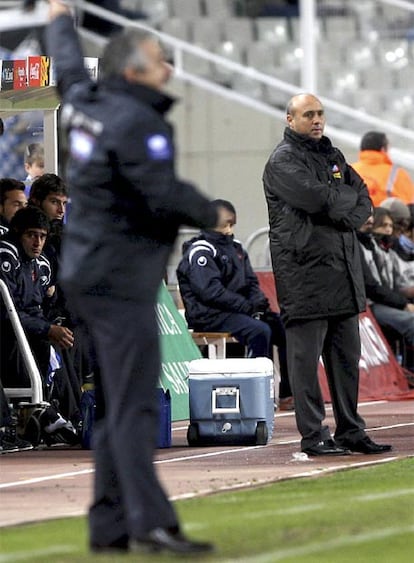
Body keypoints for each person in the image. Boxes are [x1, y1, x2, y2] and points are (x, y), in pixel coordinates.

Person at [46, 0, 219, 554]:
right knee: (135, 404)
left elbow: (69, 69)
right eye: (161, 61)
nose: (169, 69)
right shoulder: (136, 120)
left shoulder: (84, 102)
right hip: (120, 277)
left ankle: (108, 524)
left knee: (122, 402)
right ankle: (150, 521)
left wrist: (57, 21)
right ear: (132, 71)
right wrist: (208, 211)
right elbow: (162, 194)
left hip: (87, 272)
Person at [262, 93, 392, 456]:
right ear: (290, 120)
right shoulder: (283, 161)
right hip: (305, 274)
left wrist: (346, 209)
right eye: (308, 114)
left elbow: (362, 197)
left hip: (342, 272)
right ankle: (314, 435)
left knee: (346, 360)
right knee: (305, 363)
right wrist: (346, 208)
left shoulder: (332, 155)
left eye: (320, 113)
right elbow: (319, 200)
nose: (316, 120)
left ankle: (351, 430)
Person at [176, 198, 293, 410]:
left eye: (232, 224)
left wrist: (259, 303)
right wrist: (245, 306)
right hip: (209, 314)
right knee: (259, 331)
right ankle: (254, 395)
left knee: (284, 328)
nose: (229, 230)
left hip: (237, 310)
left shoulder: (237, 248)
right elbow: (209, 291)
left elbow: (250, 282)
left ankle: (287, 393)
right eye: (225, 224)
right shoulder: (200, 252)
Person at [357, 214, 414, 373]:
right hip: (370, 306)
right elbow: (373, 288)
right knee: (411, 321)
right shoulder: (360, 247)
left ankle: (406, 369)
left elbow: (390, 285)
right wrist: (403, 304)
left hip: (385, 301)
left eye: (390, 226)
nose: (388, 230)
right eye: (384, 226)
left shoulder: (378, 248)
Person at [351, 131, 414, 207]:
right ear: (383, 149)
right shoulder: (397, 174)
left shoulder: (349, 170)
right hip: (380, 217)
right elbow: (409, 204)